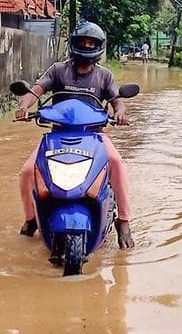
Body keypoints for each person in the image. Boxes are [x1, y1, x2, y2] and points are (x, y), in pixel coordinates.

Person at [15, 21, 135, 249]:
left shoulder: (104, 76)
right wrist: (24, 106)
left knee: (118, 163)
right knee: (27, 172)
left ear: (98, 47)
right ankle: (31, 220)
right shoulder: (58, 70)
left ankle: (125, 221)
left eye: (91, 43)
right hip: (57, 136)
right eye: (83, 42)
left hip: (95, 137)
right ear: (74, 44)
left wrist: (120, 112)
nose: (87, 46)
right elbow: (36, 90)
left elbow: (117, 102)